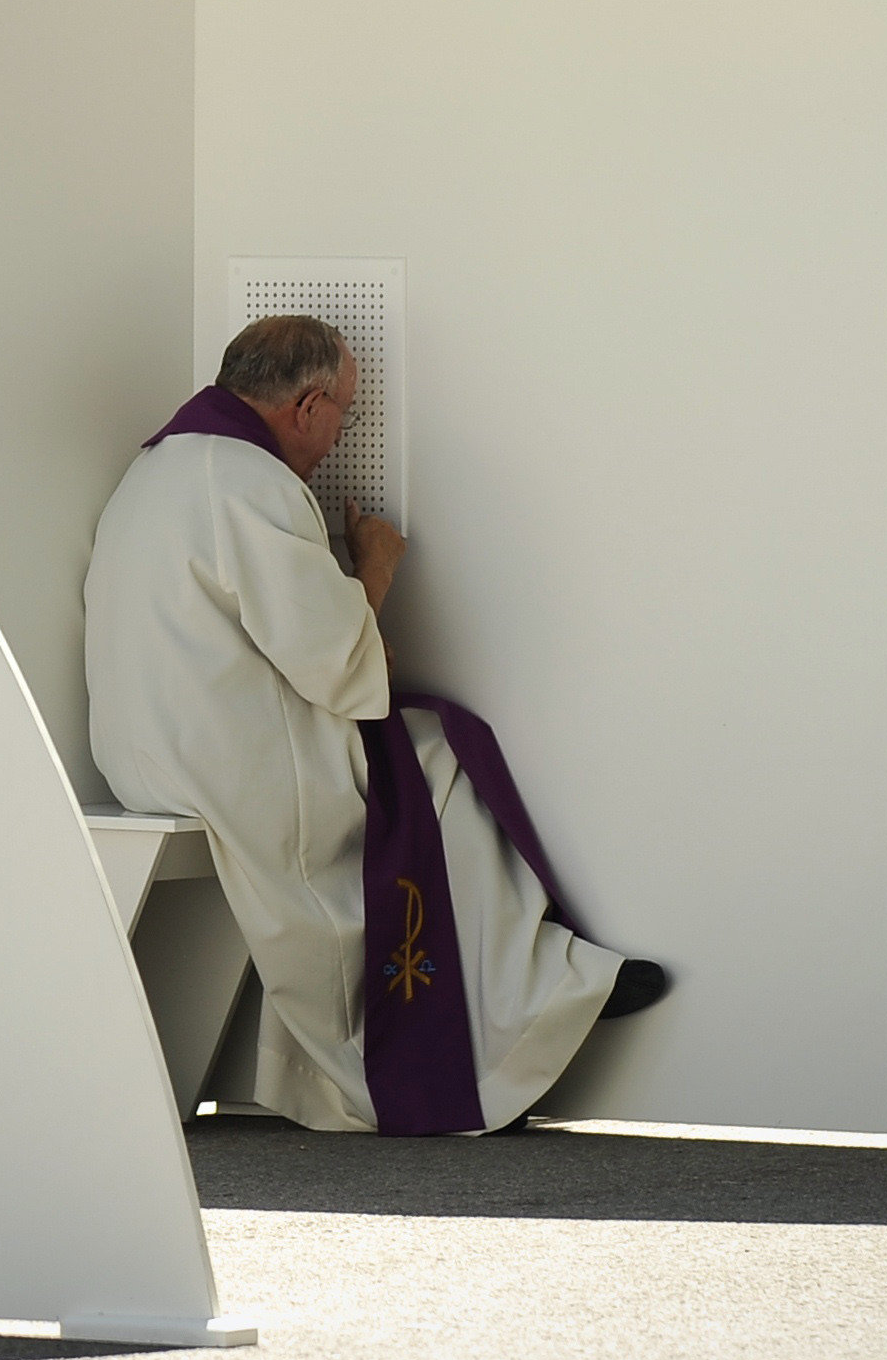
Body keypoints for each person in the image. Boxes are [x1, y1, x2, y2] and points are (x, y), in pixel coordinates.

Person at [85, 314, 668, 1134]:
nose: (337, 439)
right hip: (226, 764)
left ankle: (538, 988)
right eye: (345, 418)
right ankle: (529, 1003)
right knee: (439, 763)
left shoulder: (155, 470)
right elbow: (342, 667)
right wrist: (379, 563)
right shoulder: (250, 483)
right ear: (310, 405)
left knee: (424, 750)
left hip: (146, 751)